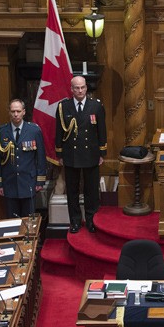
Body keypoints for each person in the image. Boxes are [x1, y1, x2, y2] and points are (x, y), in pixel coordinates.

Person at [56, 76, 106, 234]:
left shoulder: (96, 106)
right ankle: (75, 221)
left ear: (86, 88)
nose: (80, 91)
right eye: (76, 88)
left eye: (83, 87)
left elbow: (101, 131)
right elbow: (59, 132)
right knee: (72, 191)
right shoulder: (63, 107)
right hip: (71, 155)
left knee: (91, 191)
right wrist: (60, 153)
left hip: (91, 154)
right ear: (71, 89)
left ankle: (91, 220)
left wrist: (102, 152)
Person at [0, 99, 47, 217]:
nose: (15, 114)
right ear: (9, 112)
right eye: (13, 111)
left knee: (29, 221)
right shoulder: (0, 132)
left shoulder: (34, 130)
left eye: (18, 111)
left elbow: (41, 157)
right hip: (9, 183)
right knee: (12, 222)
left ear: (24, 112)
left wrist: (40, 181)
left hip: (28, 182)